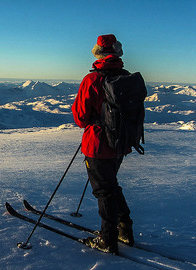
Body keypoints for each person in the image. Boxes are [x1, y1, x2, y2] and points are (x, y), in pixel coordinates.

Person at [72, 34, 135, 254]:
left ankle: (108, 240)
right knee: (111, 185)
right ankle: (124, 230)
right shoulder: (126, 77)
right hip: (121, 143)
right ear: (117, 53)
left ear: (98, 53)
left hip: (98, 144)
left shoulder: (92, 80)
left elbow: (80, 116)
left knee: (104, 191)